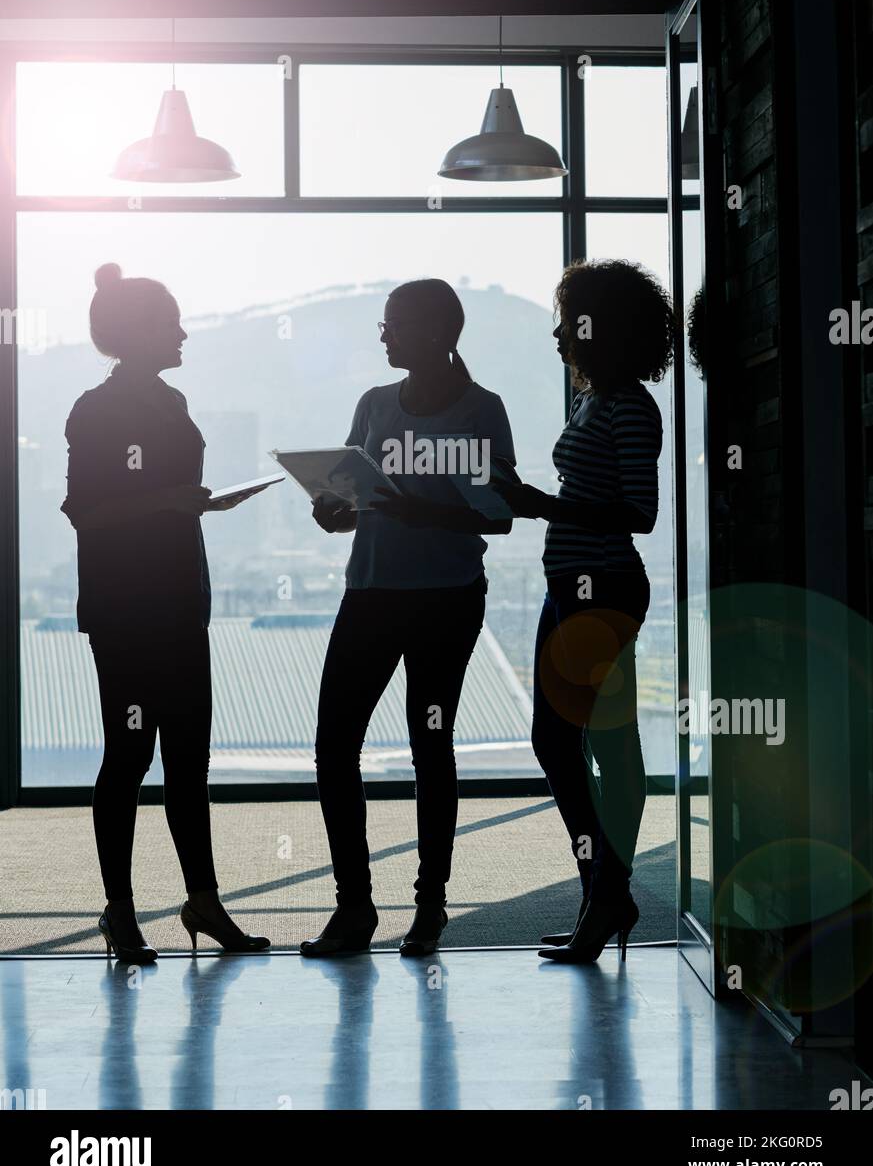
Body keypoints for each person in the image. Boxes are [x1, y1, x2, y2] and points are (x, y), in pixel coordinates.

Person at [61, 263, 270, 964]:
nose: (183, 332)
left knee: (187, 759)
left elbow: (157, 492)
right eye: (171, 321)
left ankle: (202, 902)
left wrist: (198, 503)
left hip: (180, 599)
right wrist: (167, 503)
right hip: (127, 608)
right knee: (129, 755)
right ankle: (119, 913)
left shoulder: (170, 401)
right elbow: (84, 513)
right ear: (136, 332)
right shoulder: (95, 411)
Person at [301, 278, 515, 958]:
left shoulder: (482, 410)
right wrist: (331, 508)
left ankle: (429, 906)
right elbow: (345, 502)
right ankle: (355, 907)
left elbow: (499, 514)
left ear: (429, 332)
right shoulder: (372, 405)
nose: (382, 334)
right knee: (335, 747)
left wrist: (424, 510)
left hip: (445, 598)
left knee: (430, 746)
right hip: (370, 592)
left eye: (392, 324)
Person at [494, 258, 672, 963]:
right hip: (571, 583)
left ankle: (605, 891)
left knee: (586, 742)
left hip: (600, 583)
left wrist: (542, 503)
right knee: (567, 740)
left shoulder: (627, 406)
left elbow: (639, 513)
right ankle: (602, 888)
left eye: (568, 320)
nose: (558, 333)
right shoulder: (597, 400)